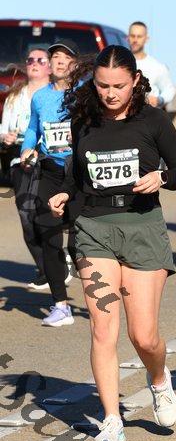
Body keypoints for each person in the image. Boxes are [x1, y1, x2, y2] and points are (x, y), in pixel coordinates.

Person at [49, 45, 176, 441]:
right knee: (102, 328)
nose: (110, 93)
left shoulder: (154, 120)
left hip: (142, 227)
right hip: (94, 229)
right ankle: (112, 419)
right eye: (102, 85)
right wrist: (64, 193)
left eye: (119, 86)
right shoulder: (84, 120)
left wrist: (161, 178)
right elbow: (77, 174)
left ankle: (159, 379)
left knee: (143, 336)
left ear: (135, 82)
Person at [20, 40, 81, 325]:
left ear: (74, 64)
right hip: (50, 170)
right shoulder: (40, 97)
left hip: (79, 173)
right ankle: (61, 305)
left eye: (65, 57)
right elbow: (33, 128)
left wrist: (79, 136)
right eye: (55, 56)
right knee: (48, 234)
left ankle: (99, 298)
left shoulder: (84, 94)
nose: (59, 60)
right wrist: (26, 148)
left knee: (80, 242)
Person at [0, 48, 51, 288]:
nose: (34, 63)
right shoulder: (15, 96)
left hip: (51, 161)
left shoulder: (57, 95)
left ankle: (57, 261)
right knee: (26, 216)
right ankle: (45, 268)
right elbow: (3, 129)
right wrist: (6, 137)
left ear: (50, 67)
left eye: (41, 60)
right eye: (30, 60)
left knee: (47, 215)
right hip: (20, 161)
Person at [128, 21, 175, 108]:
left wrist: (159, 100)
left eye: (139, 36)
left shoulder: (157, 66)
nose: (135, 40)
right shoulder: (120, 63)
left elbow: (169, 89)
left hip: (147, 113)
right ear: (127, 37)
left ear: (146, 39)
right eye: (132, 36)